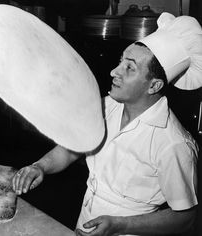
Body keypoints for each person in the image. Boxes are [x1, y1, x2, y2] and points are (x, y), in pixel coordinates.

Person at [12, 12, 202, 236]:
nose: (114, 71)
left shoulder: (173, 144)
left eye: (129, 68)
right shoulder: (107, 106)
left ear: (154, 85)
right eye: (121, 61)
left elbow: (185, 218)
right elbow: (75, 148)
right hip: (85, 224)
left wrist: (118, 225)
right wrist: (41, 166)